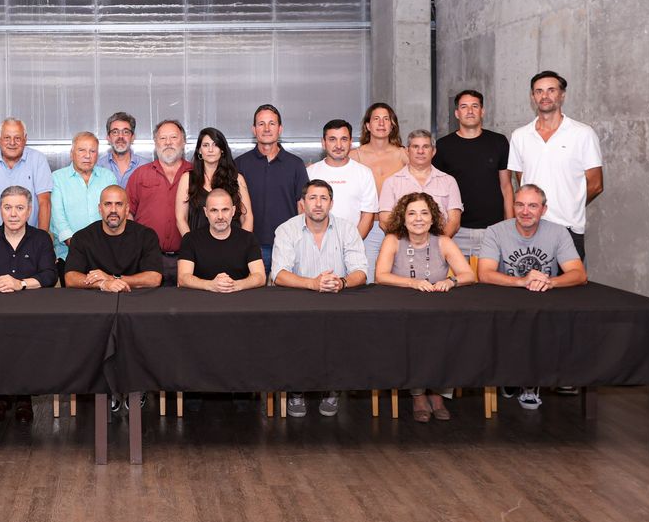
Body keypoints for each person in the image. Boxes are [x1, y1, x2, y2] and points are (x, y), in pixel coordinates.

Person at [478, 183, 588, 410]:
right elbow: (484, 274)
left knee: (541, 322)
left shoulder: (558, 232)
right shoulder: (495, 231)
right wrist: (522, 281)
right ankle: (510, 375)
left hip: (543, 301)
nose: (525, 211)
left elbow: (579, 274)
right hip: (506, 299)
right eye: (520, 205)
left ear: (543, 210)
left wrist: (549, 281)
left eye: (532, 206)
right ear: (513, 207)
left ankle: (529, 383)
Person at [271, 179, 369, 418]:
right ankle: (296, 389)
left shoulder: (347, 229)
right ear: (302, 203)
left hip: (337, 298)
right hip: (298, 300)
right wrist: (312, 283)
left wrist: (342, 282)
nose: (318, 204)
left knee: (341, 332)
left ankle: (332, 388)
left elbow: (361, 271)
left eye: (323, 198)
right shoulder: (286, 230)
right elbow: (279, 274)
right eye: (312, 198)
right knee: (295, 335)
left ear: (331, 203)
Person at [375, 192, 476, 423]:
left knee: (448, 337)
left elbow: (468, 274)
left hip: (438, 311)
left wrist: (451, 281)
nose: (418, 218)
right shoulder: (392, 240)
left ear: (432, 218)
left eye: (424, 213)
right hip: (404, 312)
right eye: (411, 213)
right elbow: (380, 276)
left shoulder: (443, 241)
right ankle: (418, 395)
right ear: (403, 218)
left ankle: (438, 394)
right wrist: (412, 282)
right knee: (413, 339)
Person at [0, 186, 58, 423]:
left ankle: (25, 399)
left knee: (28, 344)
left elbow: (49, 275)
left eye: (19, 208)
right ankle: (0, 398)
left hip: (31, 313)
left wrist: (20, 284)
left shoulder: (41, 239)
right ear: (0, 210)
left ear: (29, 211)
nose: (13, 214)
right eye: (7, 208)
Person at [65, 185, 163, 413]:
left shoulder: (145, 235)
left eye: (119, 204)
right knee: (93, 330)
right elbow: (70, 277)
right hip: (97, 305)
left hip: (136, 303)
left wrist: (113, 278)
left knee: (139, 331)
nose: (113, 210)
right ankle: (104, 387)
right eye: (108, 204)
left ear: (127, 209)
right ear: (99, 208)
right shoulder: (83, 237)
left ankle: (137, 386)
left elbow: (154, 278)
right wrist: (102, 284)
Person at [507, 71, 603, 263]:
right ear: (532, 96)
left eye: (551, 90)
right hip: (530, 228)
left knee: (570, 282)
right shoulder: (520, 136)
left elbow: (596, 184)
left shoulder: (583, 134)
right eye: (539, 91)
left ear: (562, 95)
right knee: (529, 281)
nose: (545, 96)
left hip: (568, 229)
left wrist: (572, 204)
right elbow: (522, 180)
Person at [435, 90, 513, 260]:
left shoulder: (499, 142)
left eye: (474, 106)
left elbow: (506, 187)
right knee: (458, 277)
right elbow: (437, 192)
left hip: (493, 230)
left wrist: (510, 227)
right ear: (457, 113)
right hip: (456, 231)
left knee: (493, 277)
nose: (469, 111)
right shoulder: (443, 146)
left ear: (482, 111)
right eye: (464, 107)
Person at [235, 104, 309, 273]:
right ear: (254, 130)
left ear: (280, 129)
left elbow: (303, 207)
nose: (267, 129)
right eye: (261, 124)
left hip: (288, 246)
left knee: (286, 291)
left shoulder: (295, 164)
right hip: (250, 247)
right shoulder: (240, 164)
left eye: (272, 123)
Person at [127, 119, 193, 286]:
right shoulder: (140, 174)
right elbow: (127, 213)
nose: (168, 142)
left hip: (188, 258)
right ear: (155, 143)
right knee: (148, 302)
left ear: (184, 141)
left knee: (188, 302)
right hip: (148, 259)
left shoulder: (196, 174)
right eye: (162, 138)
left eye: (173, 137)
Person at [349, 103, 409, 282]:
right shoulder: (355, 156)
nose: (381, 123)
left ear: (392, 125)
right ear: (368, 125)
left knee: (399, 279)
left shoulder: (404, 154)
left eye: (386, 119)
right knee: (366, 278)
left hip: (398, 227)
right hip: (367, 227)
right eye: (376, 119)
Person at [0, 117, 53, 238]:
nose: (12, 143)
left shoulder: (38, 160)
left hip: (31, 241)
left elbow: (45, 203)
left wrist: (41, 243)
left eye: (17, 138)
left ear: (25, 139)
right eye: (7, 138)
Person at [50, 131, 117, 278]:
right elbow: (58, 219)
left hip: (106, 254)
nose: (87, 156)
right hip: (69, 255)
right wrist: (79, 248)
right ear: (71, 153)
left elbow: (114, 213)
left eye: (92, 151)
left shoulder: (108, 177)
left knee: (108, 292)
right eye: (81, 150)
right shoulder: (57, 178)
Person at [177, 188, 266, 293]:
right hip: (201, 300)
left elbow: (260, 277)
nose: (220, 216)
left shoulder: (248, 238)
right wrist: (210, 285)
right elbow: (183, 278)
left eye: (225, 210)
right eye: (214, 210)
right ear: (206, 212)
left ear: (233, 211)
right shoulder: (190, 239)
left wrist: (235, 285)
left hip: (239, 299)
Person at [378, 130, 463, 238]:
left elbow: (454, 222)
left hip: (440, 245)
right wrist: (406, 243)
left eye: (426, 147)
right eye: (415, 147)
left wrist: (438, 243)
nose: (420, 151)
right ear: (407, 151)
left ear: (433, 151)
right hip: (402, 244)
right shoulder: (391, 182)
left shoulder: (449, 181)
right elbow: (385, 220)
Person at [306, 119, 378, 242]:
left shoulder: (364, 173)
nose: (338, 145)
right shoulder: (310, 173)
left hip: (352, 245)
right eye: (332, 139)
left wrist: (352, 245)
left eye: (344, 139)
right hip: (314, 245)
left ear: (351, 142)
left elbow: (368, 216)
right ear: (323, 142)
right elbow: (303, 211)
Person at [175, 127, 253, 240]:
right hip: (198, 245)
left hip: (232, 245)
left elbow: (247, 218)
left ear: (222, 150)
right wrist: (192, 245)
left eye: (215, 145)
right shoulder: (187, 179)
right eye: (205, 145)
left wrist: (241, 244)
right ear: (199, 150)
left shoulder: (236, 179)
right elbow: (181, 219)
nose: (210, 150)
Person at [99, 111, 149, 188]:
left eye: (126, 132)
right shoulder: (98, 167)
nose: (120, 136)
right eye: (115, 132)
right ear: (108, 138)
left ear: (132, 137)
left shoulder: (146, 166)